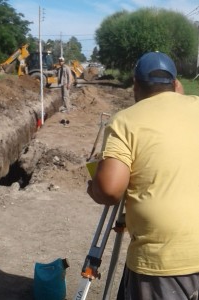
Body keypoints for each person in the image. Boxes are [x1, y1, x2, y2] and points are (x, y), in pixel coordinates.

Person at [87, 51, 199, 300]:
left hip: (164, 262)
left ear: (135, 85)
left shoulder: (126, 121)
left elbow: (109, 190)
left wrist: (92, 186)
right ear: (176, 84)